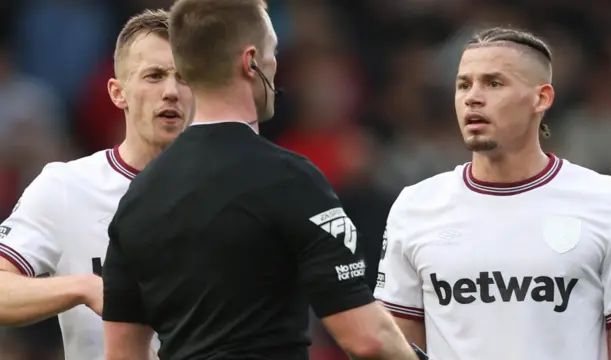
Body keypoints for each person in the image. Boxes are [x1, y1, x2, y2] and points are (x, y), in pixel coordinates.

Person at [101, 1, 420, 360]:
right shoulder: (289, 180)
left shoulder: (136, 199)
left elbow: (122, 354)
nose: (276, 65)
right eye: (273, 53)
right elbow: (368, 339)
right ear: (251, 61)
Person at [374, 27, 611, 360]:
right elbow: (399, 342)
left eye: (494, 83)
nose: (473, 96)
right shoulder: (415, 206)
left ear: (541, 98)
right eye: (463, 84)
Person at [0, 9, 193, 360]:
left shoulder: (237, 188)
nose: (171, 91)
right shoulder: (66, 186)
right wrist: (84, 287)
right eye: (154, 76)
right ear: (118, 93)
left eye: (184, 78)